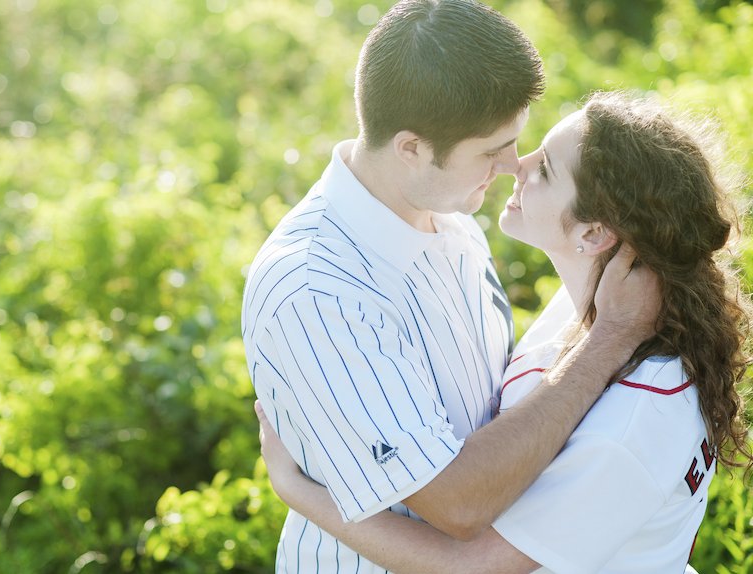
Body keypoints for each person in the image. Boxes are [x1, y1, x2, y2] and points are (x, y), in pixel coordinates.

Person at [256, 90, 753, 573]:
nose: (518, 165)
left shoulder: (632, 410)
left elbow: (473, 566)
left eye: (546, 169)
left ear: (593, 233)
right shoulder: (585, 315)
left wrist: (298, 491)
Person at [241, 0, 661, 571]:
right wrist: (609, 339)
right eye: (492, 150)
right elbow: (457, 505)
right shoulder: (317, 293)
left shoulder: (455, 219)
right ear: (412, 148)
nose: (514, 166)